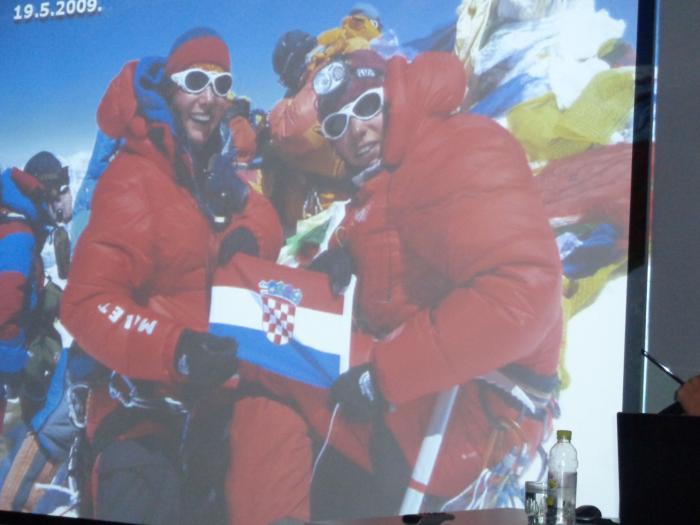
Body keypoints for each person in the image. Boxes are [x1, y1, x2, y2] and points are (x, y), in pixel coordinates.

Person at [60, 28, 289, 525]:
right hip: (146, 414)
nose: (209, 98)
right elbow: (85, 303)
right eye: (195, 81)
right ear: (169, 90)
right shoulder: (134, 179)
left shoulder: (209, 171)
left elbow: (263, 213)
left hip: (209, 399)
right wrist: (175, 350)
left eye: (221, 84)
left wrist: (248, 235)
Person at [0, 152, 73, 431]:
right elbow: (6, 305)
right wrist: (12, 368)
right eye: (61, 191)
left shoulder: (12, 217)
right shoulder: (19, 235)